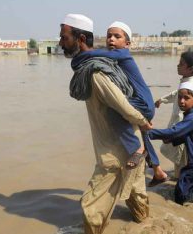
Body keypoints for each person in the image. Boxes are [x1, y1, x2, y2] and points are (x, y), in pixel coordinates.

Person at [59, 14, 151, 234]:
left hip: (116, 153)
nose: (60, 42)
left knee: (91, 209)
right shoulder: (96, 66)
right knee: (137, 198)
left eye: (64, 37)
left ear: (80, 39)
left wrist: (143, 121)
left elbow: (122, 104)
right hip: (132, 146)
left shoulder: (95, 72)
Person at [71, 21, 168, 187]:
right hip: (145, 102)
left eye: (117, 36)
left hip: (141, 102)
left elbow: (100, 55)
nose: (111, 39)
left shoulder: (123, 54)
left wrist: (80, 57)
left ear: (127, 44)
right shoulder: (117, 57)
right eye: (109, 36)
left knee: (113, 109)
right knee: (144, 136)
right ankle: (158, 172)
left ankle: (136, 149)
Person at [154, 51, 193, 180]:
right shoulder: (186, 82)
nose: (178, 65)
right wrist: (162, 100)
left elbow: (183, 114)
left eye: (181, 64)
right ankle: (181, 178)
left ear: (190, 68)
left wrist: (173, 133)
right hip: (183, 128)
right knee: (181, 159)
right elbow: (176, 94)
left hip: (183, 128)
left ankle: (180, 183)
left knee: (180, 159)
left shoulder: (190, 87)